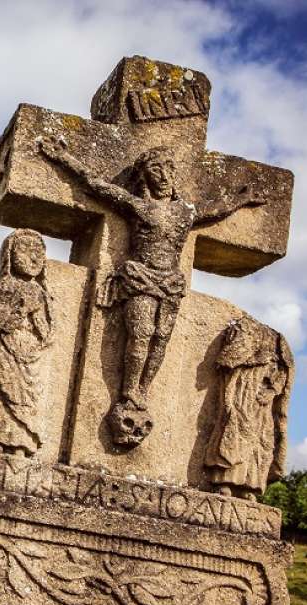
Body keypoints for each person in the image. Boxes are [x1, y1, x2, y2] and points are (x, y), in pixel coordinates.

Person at [36, 137, 264, 419]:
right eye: (155, 170)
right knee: (140, 335)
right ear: (146, 177)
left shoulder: (185, 212)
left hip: (170, 283)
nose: (163, 175)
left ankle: (143, 389)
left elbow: (216, 209)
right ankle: (129, 390)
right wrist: (63, 158)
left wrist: (242, 198)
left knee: (160, 339)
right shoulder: (138, 206)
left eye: (168, 169)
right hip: (140, 277)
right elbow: (97, 186)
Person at [0, 228, 53, 457]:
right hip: (4, 350)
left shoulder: (41, 292)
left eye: (39, 253)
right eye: (25, 251)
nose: (34, 258)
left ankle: (21, 444)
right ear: (9, 255)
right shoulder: (5, 286)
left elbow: (45, 330)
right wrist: (19, 309)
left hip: (30, 354)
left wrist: (41, 331)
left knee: (26, 403)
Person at [205, 316, 292, 500]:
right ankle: (225, 481)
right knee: (236, 433)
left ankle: (251, 486)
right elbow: (228, 360)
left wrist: (272, 390)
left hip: (263, 404)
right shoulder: (244, 333)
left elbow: (283, 375)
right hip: (243, 395)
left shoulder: (279, 348)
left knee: (261, 442)